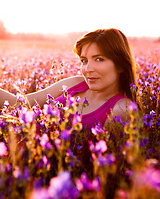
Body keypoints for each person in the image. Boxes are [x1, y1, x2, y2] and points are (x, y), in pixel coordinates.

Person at [0, 28, 137, 130]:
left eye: (99, 59)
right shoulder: (76, 83)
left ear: (120, 65)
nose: (88, 68)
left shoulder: (122, 109)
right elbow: (23, 104)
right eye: (84, 60)